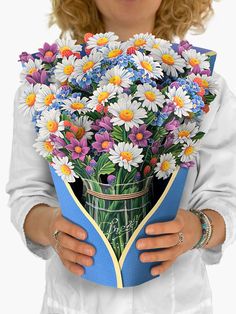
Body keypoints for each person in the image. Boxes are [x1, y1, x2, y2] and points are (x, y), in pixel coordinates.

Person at [5, 0, 236, 313]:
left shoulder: (206, 87)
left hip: (177, 301)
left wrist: (198, 229)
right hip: (76, 300)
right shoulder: (47, 88)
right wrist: (50, 227)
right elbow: (26, 192)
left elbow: (226, 195)